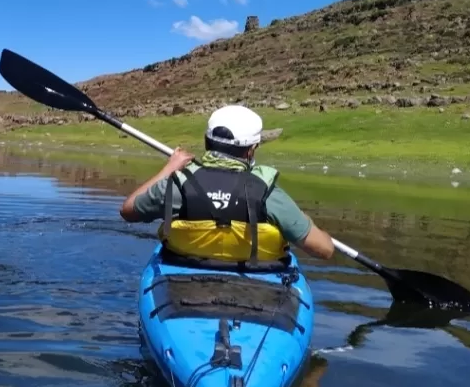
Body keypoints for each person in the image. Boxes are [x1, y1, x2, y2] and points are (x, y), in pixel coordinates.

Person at [119, 104, 334, 267]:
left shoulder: (177, 185)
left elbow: (128, 210)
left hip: (181, 281)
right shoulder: (270, 195)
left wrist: (170, 168)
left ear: (206, 141)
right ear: (251, 150)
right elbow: (324, 250)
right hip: (257, 287)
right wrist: (303, 219)